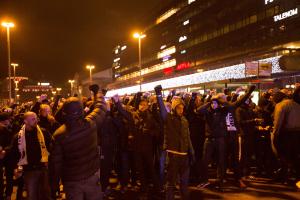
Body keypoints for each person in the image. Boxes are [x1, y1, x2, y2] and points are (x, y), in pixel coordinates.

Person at [49, 84, 107, 200]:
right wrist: (98, 93)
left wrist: (54, 185)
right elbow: (101, 107)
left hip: (72, 181)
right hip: (91, 176)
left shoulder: (59, 135)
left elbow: (56, 164)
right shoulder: (91, 124)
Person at [155, 85, 194, 200]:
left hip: (184, 157)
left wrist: (191, 152)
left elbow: (188, 137)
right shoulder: (169, 119)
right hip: (172, 156)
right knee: (171, 184)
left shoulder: (185, 120)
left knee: (184, 184)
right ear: (174, 108)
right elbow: (162, 109)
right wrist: (158, 94)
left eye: (182, 108)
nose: (181, 110)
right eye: (178, 108)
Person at [7, 112, 52, 200]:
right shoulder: (18, 137)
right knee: (32, 195)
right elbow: (13, 154)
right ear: (25, 121)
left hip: (43, 168)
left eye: (36, 118)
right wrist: (16, 167)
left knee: (46, 195)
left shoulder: (43, 132)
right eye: (33, 119)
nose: (36, 121)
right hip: (29, 171)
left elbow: (52, 146)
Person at [272, 86, 300, 189]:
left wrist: (275, 134)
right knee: (296, 156)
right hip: (297, 134)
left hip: (286, 134)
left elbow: (278, 121)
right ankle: (297, 178)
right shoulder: (297, 105)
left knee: (284, 156)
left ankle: (284, 178)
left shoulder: (280, 105)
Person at [0, 112, 14, 200]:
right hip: (3, 155)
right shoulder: (5, 129)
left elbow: (12, 142)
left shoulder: (11, 128)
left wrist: (5, 150)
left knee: (9, 176)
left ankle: (8, 194)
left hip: (8, 155)